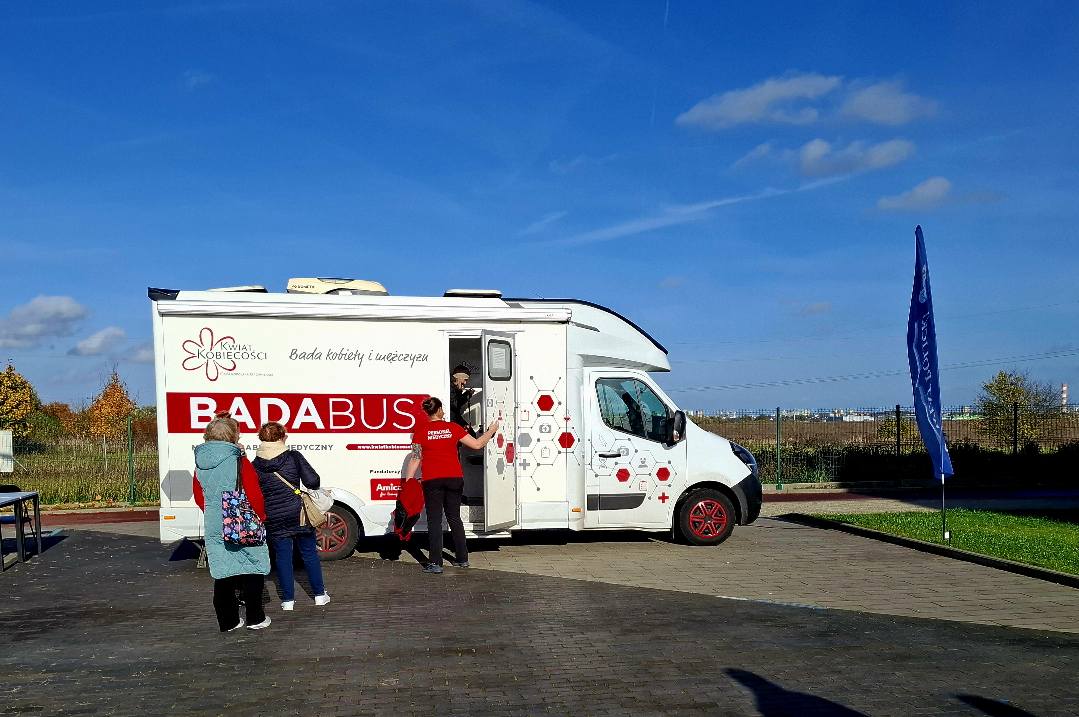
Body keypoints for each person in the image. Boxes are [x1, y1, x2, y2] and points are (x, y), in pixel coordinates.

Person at [192, 411, 272, 632]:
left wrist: (216, 512)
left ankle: (228, 621)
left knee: (222, 570)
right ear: (232, 437)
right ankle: (255, 618)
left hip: (214, 521)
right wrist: (261, 517)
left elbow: (199, 495)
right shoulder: (239, 461)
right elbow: (254, 494)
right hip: (241, 519)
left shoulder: (200, 463)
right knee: (253, 567)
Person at [405, 396, 499, 574]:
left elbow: (415, 458)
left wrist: (409, 481)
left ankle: (435, 563)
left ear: (427, 412)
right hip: (454, 478)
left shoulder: (420, 431)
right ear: (439, 410)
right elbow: (478, 444)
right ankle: (462, 559)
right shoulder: (453, 428)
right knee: (454, 518)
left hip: (432, 480)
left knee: (434, 520)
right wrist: (491, 431)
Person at [251, 421, 330, 611]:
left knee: (282, 557)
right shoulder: (292, 456)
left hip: (274, 516)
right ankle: (319, 595)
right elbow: (313, 481)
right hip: (298, 512)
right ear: (282, 437)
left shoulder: (255, 464)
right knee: (309, 553)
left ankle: (288, 601)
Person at [449, 364, 478, 437]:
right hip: (452, 419)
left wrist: (466, 394)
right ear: (459, 377)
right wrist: (463, 394)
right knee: (471, 435)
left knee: (472, 435)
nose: (465, 383)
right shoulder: (450, 387)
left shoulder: (453, 387)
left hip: (455, 418)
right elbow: (455, 405)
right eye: (465, 380)